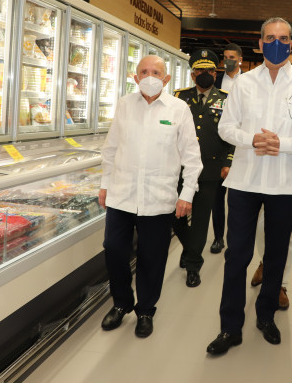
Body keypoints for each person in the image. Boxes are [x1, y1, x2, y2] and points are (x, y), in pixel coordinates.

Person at [206, 17, 292, 355]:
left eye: (283, 38)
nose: (277, 43)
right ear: (259, 44)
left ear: (291, 43)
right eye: (270, 38)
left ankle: (266, 315)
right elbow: (226, 128)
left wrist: (283, 144)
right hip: (245, 181)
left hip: (284, 184)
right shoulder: (243, 83)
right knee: (237, 255)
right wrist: (252, 139)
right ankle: (230, 327)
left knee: (276, 255)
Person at [99, 55, 202, 337]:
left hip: (159, 198)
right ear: (135, 77)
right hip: (121, 194)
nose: (149, 76)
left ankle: (145, 310)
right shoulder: (124, 104)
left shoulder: (179, 109)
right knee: (114, 249)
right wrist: (105, 184)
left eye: (156, 72)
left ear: (166, 79)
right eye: (144, 71)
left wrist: (187, 194)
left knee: (152, 257)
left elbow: (192, 158)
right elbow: (111, 148)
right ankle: (121, 303)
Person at [249, 47, 292, 309]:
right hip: (258, 172)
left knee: (288, 234)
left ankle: (280, 284)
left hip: (291, 175)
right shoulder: (263, 89)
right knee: (260, 227)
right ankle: (265, 262)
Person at [173, 49, 234, 288]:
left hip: (210, 169)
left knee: (200, 219)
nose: (205, 74)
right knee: (175, 216)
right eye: (200, 71)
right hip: (180, 168)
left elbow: (231, 136)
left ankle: (193, 266)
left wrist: (228, 162)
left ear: (215, 74)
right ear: (193, 74)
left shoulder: (226, 99)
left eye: (209, 70)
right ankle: (190, 248)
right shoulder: (180, 97)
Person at [210, 43, 244, 254]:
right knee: (218, 195)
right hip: (220, 141)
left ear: (240, 59)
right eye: (225, 57)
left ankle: (236, 237)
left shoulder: (248, 81)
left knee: (238, 198)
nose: (228, 60)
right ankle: (218, 237)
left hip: (242, 143)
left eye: (232, 57)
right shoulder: (217, 80)